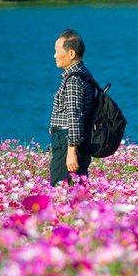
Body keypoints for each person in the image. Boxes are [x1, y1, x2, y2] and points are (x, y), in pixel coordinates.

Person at [49, 28, 96, 186]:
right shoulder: (82, 73)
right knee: (76, 191)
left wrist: (71, 152)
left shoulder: (74, 80)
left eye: (57, 51)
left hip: (67, 141)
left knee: (60, 190)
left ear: (71, 54)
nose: (54, 56)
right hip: (71, 141)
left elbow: (74, 116)